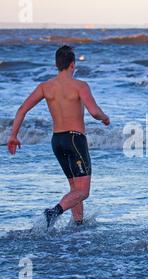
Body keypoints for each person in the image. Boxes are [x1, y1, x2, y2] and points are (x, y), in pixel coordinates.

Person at [7, 46, 111, 228]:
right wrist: (105, 118)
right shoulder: (80, 85)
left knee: (75, 187)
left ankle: (78, 224)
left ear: (57, 65)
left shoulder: (45, 87)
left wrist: (13, 135)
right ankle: (53, 212)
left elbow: (22, 109)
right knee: (83, 191)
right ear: (73, 64)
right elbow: (94, 112)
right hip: (75, 139)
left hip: (57, 141)